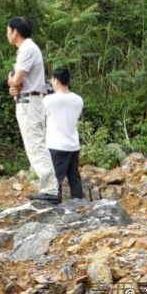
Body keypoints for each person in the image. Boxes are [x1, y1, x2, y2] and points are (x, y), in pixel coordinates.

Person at [6, 17, 60, 204]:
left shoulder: (28, 48)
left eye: (8, 31)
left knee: (36, 145)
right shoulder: (26, 49)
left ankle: (50, 189)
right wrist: (13, 88)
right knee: (35, 145)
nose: (7, 35)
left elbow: (16, 80)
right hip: (27, 100)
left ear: (15, 31)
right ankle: (49, 188)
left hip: (30, 103)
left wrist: (11, 80)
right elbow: (19, 84)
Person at [43, 66, 85, 201]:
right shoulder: (78, 100)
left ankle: (55, 203)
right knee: (74, 177)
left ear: (56, 81)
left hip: (56, 145)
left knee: (56, 179)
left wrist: (42, 98)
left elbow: (41, 114)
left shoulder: (49, 100)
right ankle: (79, 203)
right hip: (73, 144)